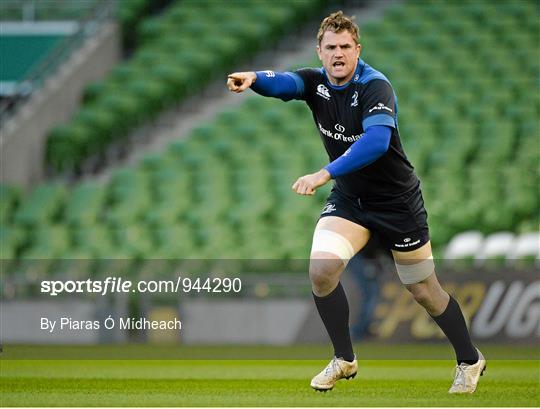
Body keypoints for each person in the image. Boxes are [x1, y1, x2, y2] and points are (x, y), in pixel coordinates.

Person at [227, 11, 485, 393]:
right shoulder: (316, 83)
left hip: (397, 201)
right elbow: (284, 83)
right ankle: (344, 359)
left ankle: (469, 359)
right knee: (321, 270)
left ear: (357, 49)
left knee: (424, 290)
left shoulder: (375, 86)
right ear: (319, 51)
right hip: (351, 199)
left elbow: (377, 142)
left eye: (345, 47)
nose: (338, 54)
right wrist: (253, 80)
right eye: (330, 47)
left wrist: (323, 173)